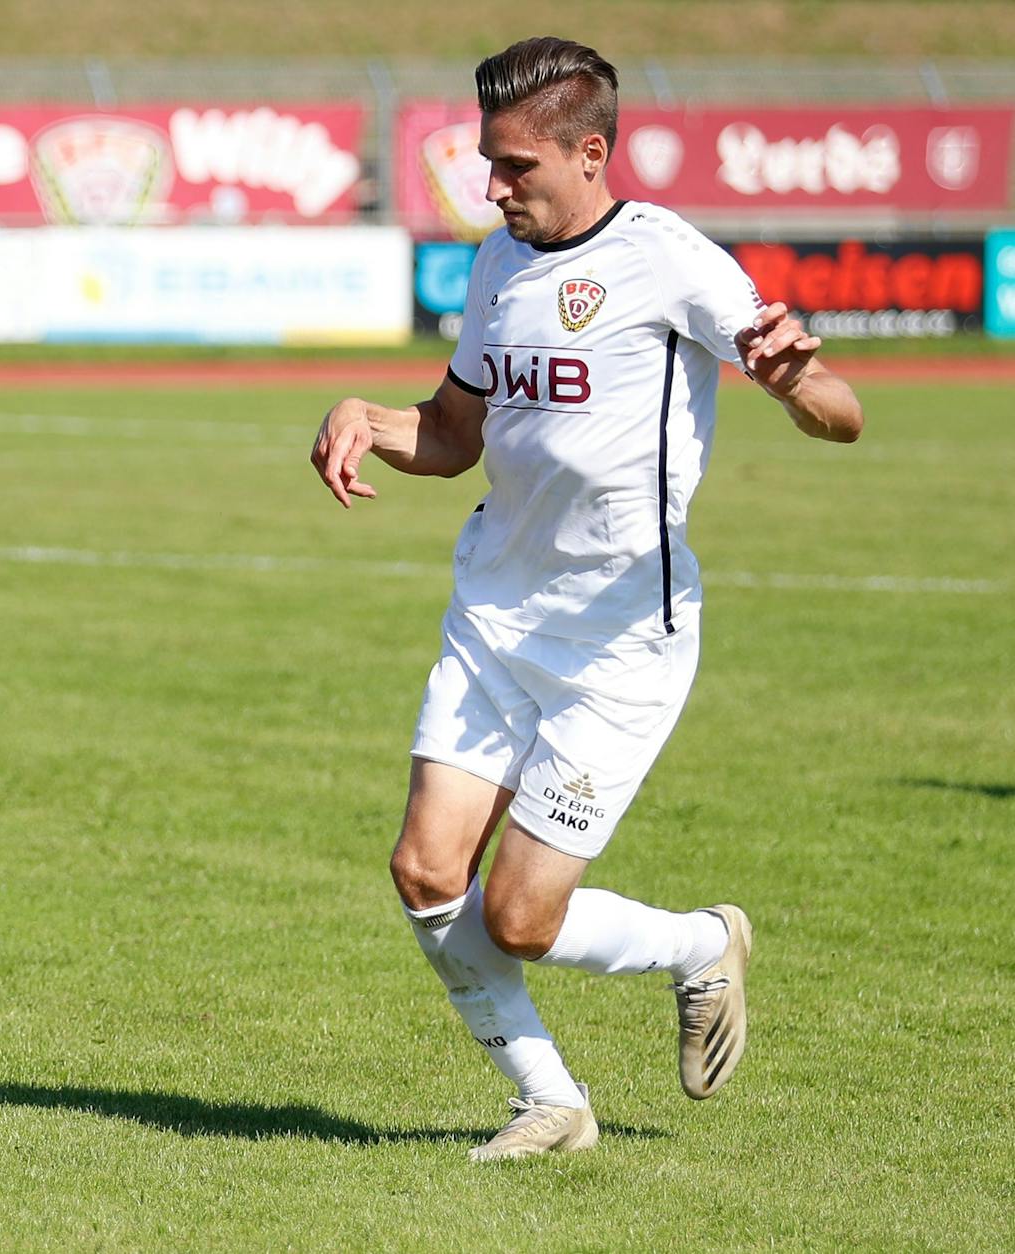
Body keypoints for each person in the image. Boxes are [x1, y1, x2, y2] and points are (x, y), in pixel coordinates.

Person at [309, 37, 862, 1162]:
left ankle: (699, 945)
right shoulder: (495, 264)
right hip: (493, 615)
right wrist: (368, 416)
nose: (492, 186)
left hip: (617, 642)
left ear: (590, 154)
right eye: (488, 162)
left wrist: (795, 377)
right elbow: (453, 434)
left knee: (518, 918)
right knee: (425, 871)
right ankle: (550, 1104)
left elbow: (841, 415)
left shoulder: (667, 258)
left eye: (514, 166)